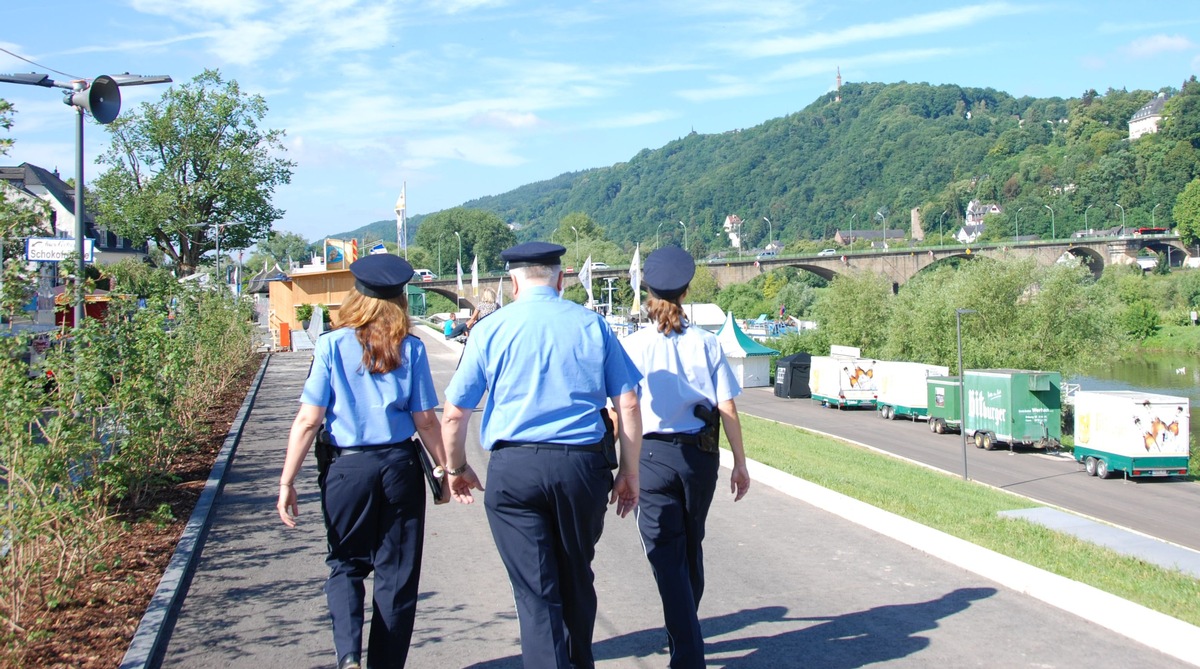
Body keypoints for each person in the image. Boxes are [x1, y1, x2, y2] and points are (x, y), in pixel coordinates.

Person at [440, 241, 643, 669]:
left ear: (513, 281)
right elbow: (627, 404)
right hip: (581, 467)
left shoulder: (489, 330)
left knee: (536, 592)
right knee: (575, 575)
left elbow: (455, 413)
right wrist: (629, 471)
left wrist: (456, 468)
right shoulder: (594, 325)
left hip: (514, 471)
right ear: (561, 277)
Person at [277, 254, 447, 669]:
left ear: (358, 297)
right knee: (397, 573)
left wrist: (287, 480)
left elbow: (309, 419)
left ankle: (349, 655)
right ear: (400, 300)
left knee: (345, 563)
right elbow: (425, 420)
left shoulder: (332, 345)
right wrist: (449, 468)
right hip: (399, 467)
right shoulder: (412, 348)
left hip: (346, 468)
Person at [620, 245, 751, 669]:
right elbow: (727, 407)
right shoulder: (707, 343)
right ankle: (685, 625)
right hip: (700, 457)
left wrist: (625, 466)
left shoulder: (633, 345)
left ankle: (687, 651)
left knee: (664, 552)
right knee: (691, 543)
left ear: (647, 292)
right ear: (687, 290)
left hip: (652, 455)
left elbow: (621, 408)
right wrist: (741, 463)